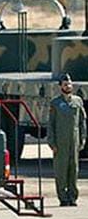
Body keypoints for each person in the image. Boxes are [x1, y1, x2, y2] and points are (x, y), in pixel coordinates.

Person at [48, 74, 86, 207]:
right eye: (65, 84)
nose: (68, 86)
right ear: (60, 87)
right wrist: (52, 143)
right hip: (60, 142)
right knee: (61, 170)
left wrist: (82, 138)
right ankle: (63, 198)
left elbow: (82, 122)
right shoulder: (55, 103)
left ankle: (73, 197)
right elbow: (51, 125)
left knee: (73, 169)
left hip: (74, 140)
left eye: (69, 84)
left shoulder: (77, 101)